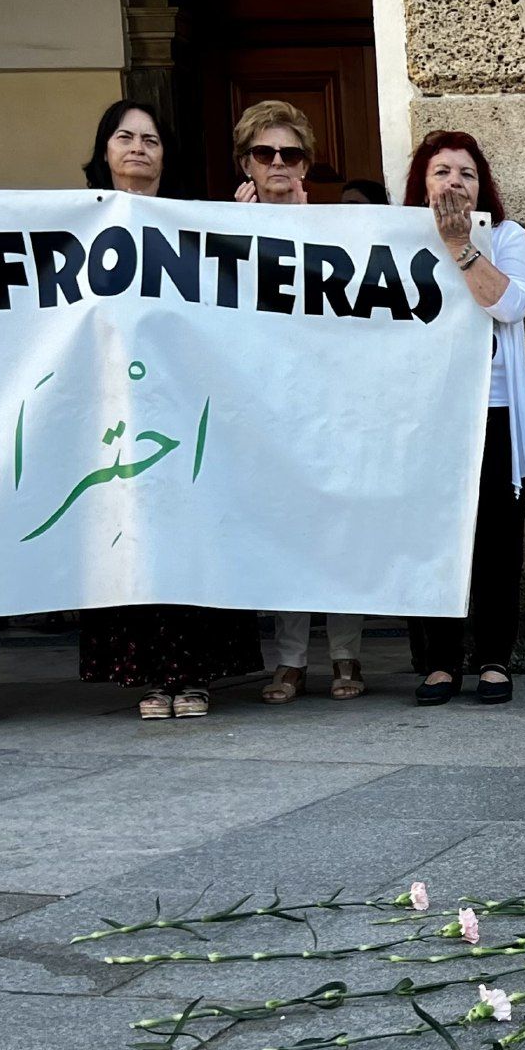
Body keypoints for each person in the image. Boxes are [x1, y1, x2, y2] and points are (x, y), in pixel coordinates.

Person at [71, 101, 261, 720]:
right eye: (124, 137)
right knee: (127, 535)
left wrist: (247, 229)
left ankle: (192, 673)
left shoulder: (195, 222)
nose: (138, 148)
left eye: (151, 139)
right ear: (104, 150)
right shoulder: (71, 224)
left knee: (187, 533)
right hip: (109, 413)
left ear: (165, 154)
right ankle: (150, 675)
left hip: (184, 408)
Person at [234, 100, 366, 703]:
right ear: (247, 164)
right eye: (266, 153)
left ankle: (346, 657)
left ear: (308, 165)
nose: (279, 163)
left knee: (339, 532)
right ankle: (288, 660)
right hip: (264, 406)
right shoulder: (220, 229)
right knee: (287, 532)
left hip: (333, 402)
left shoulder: (341, 231)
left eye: (291, 153)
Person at [403, 130, 525, 705]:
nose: (454, 182)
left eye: (466, 173)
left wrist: (461, 247)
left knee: (497, 541)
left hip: (495, 409)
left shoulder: (506, 236)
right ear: (421, 183)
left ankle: (492, 660)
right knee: (434, 537)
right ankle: (438, 662)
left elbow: (509, 304)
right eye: (442, 172)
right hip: (428, 415)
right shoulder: (393, 238)